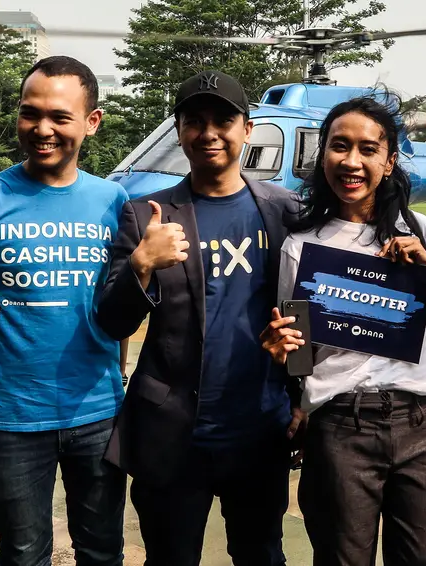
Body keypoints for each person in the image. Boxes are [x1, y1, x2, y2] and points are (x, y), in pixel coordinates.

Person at [0, 55, 129, 566]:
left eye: (60, 116)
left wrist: (118, 379)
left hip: (98, 412)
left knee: (102, 551)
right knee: (23, 551)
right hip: (8, 416)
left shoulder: (113, 200)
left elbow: (119, 302)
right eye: (30, 113)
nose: (42, 129)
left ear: (91, 122)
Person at [96, 70, 302, 566]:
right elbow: (112, 321)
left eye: (224, 120)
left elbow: (303, 308)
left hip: (258, 426)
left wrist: (301, 396)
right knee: (169, 557)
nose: (209, 132)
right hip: (172, 432)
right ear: (179, 130)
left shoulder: (284, 210)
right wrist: (142, 265)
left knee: (262, 554)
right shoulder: (146, 213)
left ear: (247, 129)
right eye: (195, 121)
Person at [260, 96, 426, 566]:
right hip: (338, 427)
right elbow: (301, 354)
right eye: (339, 146)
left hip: (420, 422)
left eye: (368, 149)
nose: (351, 161)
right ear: (323, 155)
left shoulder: (418, 231)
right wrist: (284, 348)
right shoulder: (300, 246)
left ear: (389, 160)